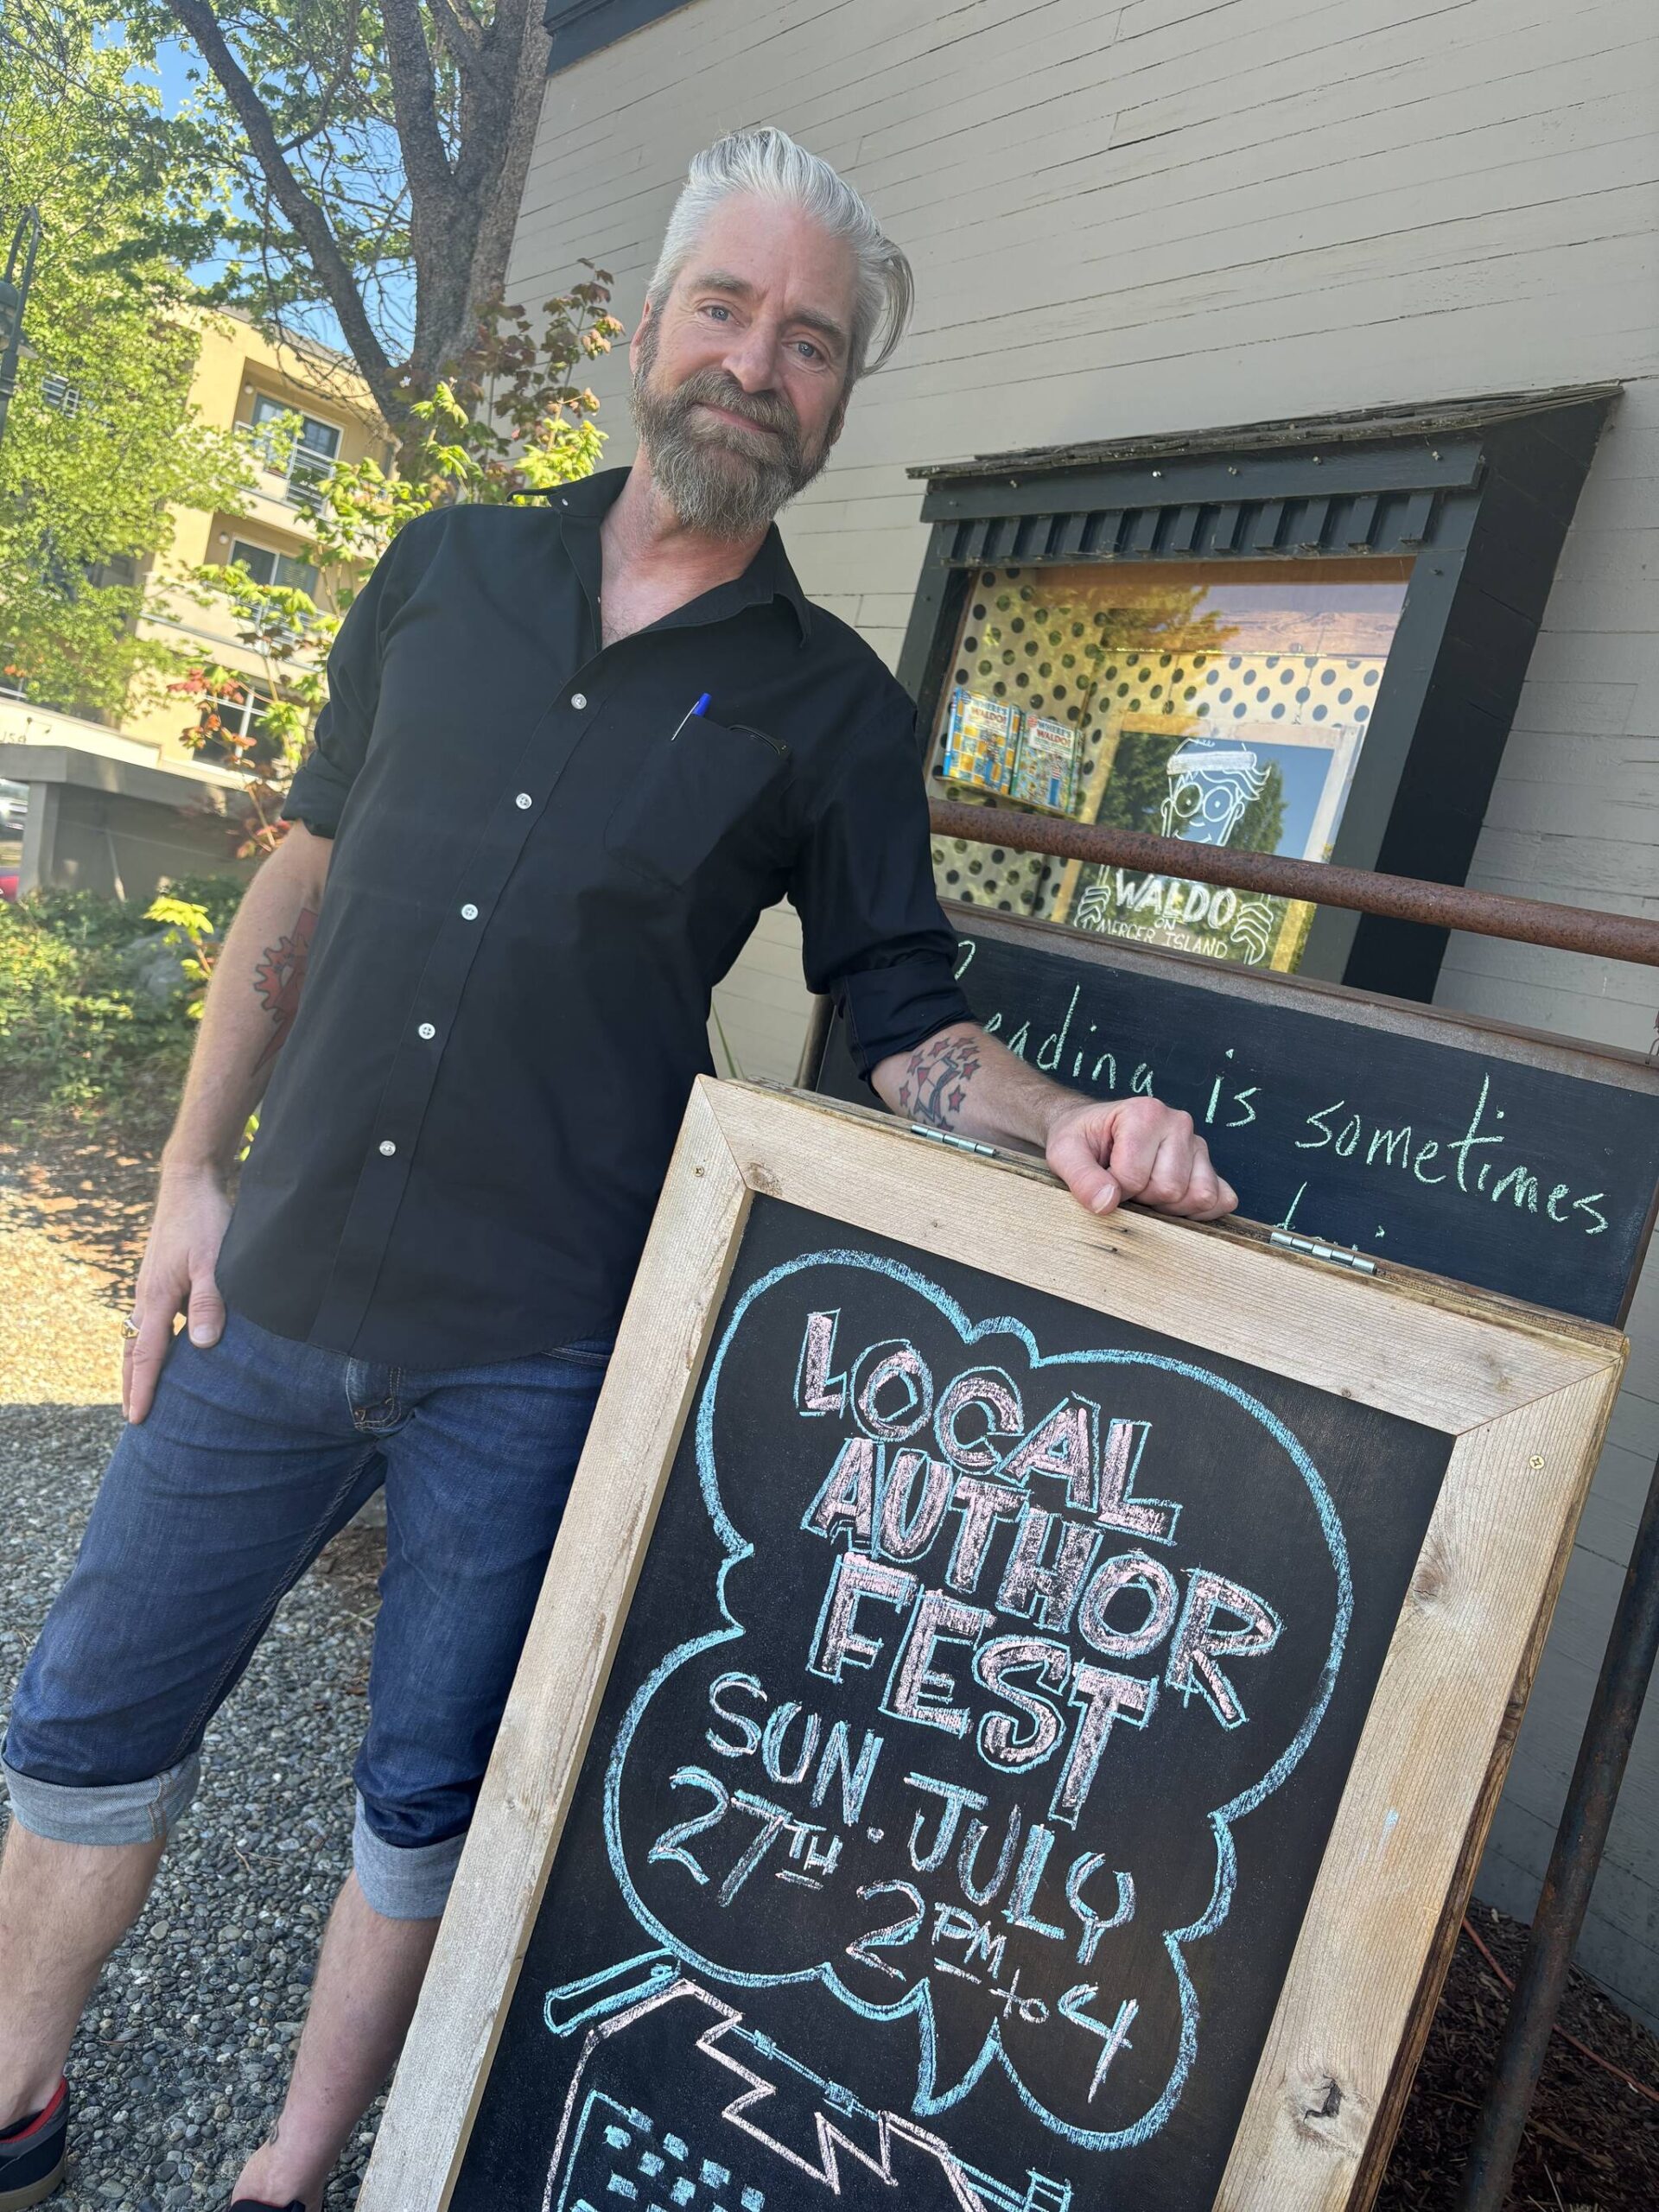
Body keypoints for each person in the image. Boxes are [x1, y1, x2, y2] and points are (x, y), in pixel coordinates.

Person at [0, 126, 1235, 2212]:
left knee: (427, 1797)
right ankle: (18, 2092)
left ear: (843, 400)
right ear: (653, 328)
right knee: (86, 1715)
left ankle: (293, 2170)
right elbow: (298, 877)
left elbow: (905, 1016)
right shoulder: (441, 575)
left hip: (543, 1350)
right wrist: (191, 1169)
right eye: (731, 311)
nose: (760, 365)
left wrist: (1060, 1123)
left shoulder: (836, 715)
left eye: (814, 345)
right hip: (272, 1273)